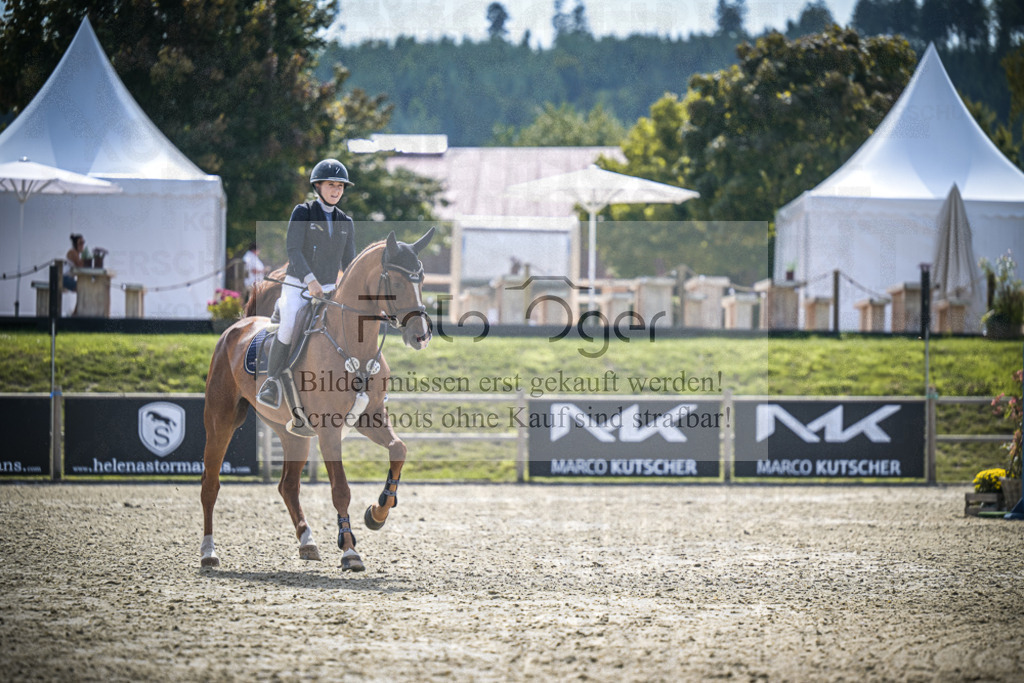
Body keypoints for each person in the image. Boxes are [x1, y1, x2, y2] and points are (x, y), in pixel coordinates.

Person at [256, 158, 357, 410]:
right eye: (331, 185)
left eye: (340, 186)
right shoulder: (303, 212)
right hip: (298, 286)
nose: (336, 190)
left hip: (330, 290)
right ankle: (272, 381)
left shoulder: (346, 223)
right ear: (318, 186)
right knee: (289, 322)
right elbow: (293, 249)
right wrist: (310, 280)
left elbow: (350, 263)